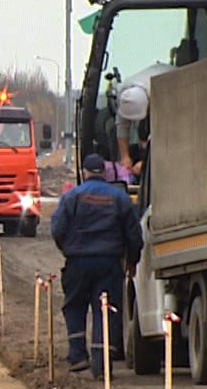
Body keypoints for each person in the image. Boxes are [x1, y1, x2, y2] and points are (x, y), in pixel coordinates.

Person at [50, 153, 144, 372]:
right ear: (104, 173)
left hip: (77, 262)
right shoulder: (119, 198)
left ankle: (77, 355)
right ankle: (101, 365)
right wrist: (132, 260)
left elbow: (57, 229)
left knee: (74, 305)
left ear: (84, 173)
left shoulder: (71, 197)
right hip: (110, 263)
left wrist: (67, 249)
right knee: (107, 309)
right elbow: (133, 234)